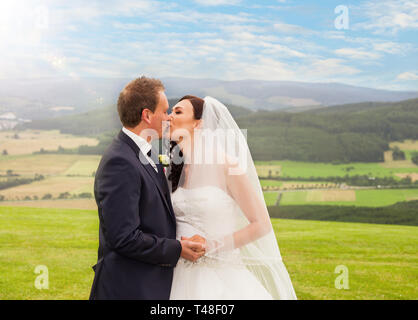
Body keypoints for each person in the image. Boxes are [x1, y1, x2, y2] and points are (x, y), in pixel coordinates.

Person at [167, 95, 297, 300]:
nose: (169, 117)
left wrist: (211, 246)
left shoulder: (227, 165)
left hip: (219, 274)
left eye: (178, 112)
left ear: (199, 124)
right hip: (175, 273)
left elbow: (261, 224)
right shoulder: (172, 169)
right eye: (170, 111)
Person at [89, 77, 205, 300]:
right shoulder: (120, 162)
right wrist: (177, 249)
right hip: (127, 288)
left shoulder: (142, 152)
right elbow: (124, 238)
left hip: (146, 285)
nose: (168, 117)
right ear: (147, 115)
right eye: (164, 111)